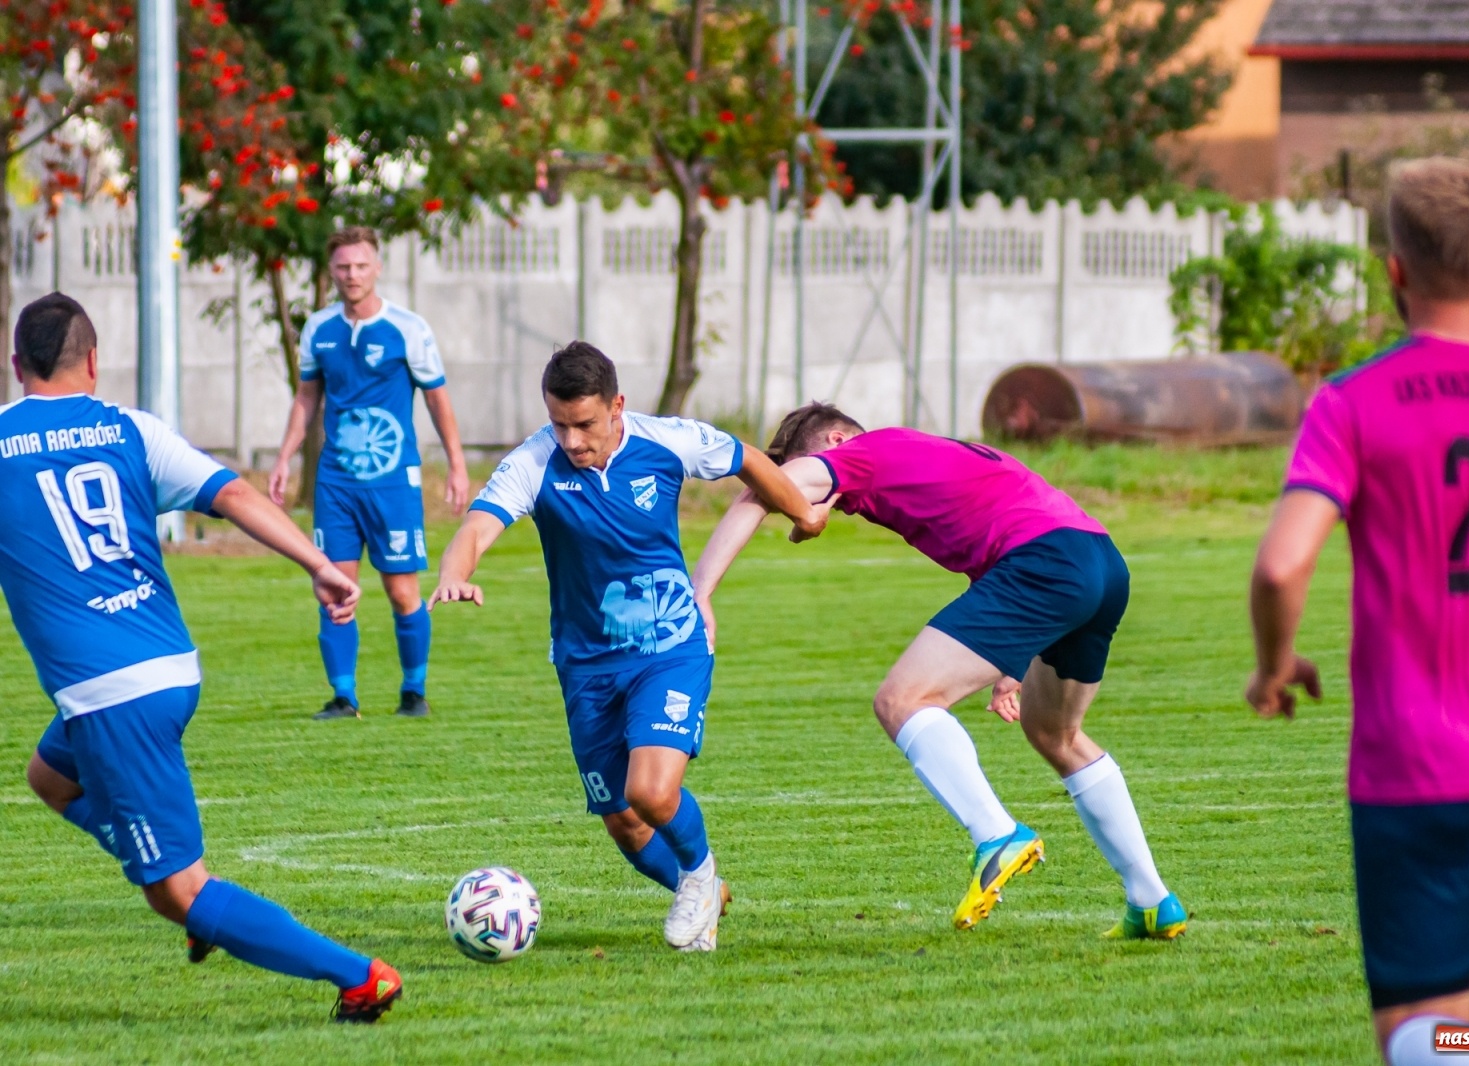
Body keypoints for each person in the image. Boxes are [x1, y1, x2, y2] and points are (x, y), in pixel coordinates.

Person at [1247, 157, 1469, 1066]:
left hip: (1422, 767)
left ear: (1394, 270)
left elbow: (1284, 563)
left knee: (1429, 1028)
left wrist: (1275, 663)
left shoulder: (1354, 403)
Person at [9, 293, 401, 1022]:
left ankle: (359, 975)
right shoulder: (129, 429)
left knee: (178, 890)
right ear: (93, 363)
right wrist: (318, 563)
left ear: (14, 364)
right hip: (168, 668)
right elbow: (234, 492)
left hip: (110, 695)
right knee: (49, 779)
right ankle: (197, 901)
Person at [692, 405, 1186, 937]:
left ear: (834, 440)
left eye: (805, 478)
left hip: (1045, 564)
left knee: (902, 700)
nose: (804, 501)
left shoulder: (858, 454)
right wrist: (1013, 663)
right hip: (1098, 561)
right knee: (1055, 733)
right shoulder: (930, 452)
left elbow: (759, 488)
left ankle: (996, 834)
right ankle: (1152, 900)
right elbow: (1006, 533)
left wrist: (701, 593)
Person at [429, 341, 818, 951]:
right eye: (559, 424)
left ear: (617, 407)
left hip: (671, 647)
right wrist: (455, 572)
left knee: (651, 791)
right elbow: (478, 526)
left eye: (584, 424)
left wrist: (806, 513)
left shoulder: (665, 440)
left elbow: (746, 458)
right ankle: (705, 892)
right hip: (585, 665)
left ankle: (700, 875)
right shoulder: (535, 462)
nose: (572, 440)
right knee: (626, 823)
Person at [268, 226, 470, 720]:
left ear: (377, 268)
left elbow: (437, 397)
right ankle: (343, 698)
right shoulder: (319, 329)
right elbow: (306, 397)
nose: (352, 275)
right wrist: (284, 457)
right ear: (331, 271)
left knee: (403, 591)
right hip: (335, 482)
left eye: (361, 265)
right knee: (333, 586)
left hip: (393, 481)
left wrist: (457, 465)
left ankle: (413, 693)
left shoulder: (408, 328)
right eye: (342, 266)